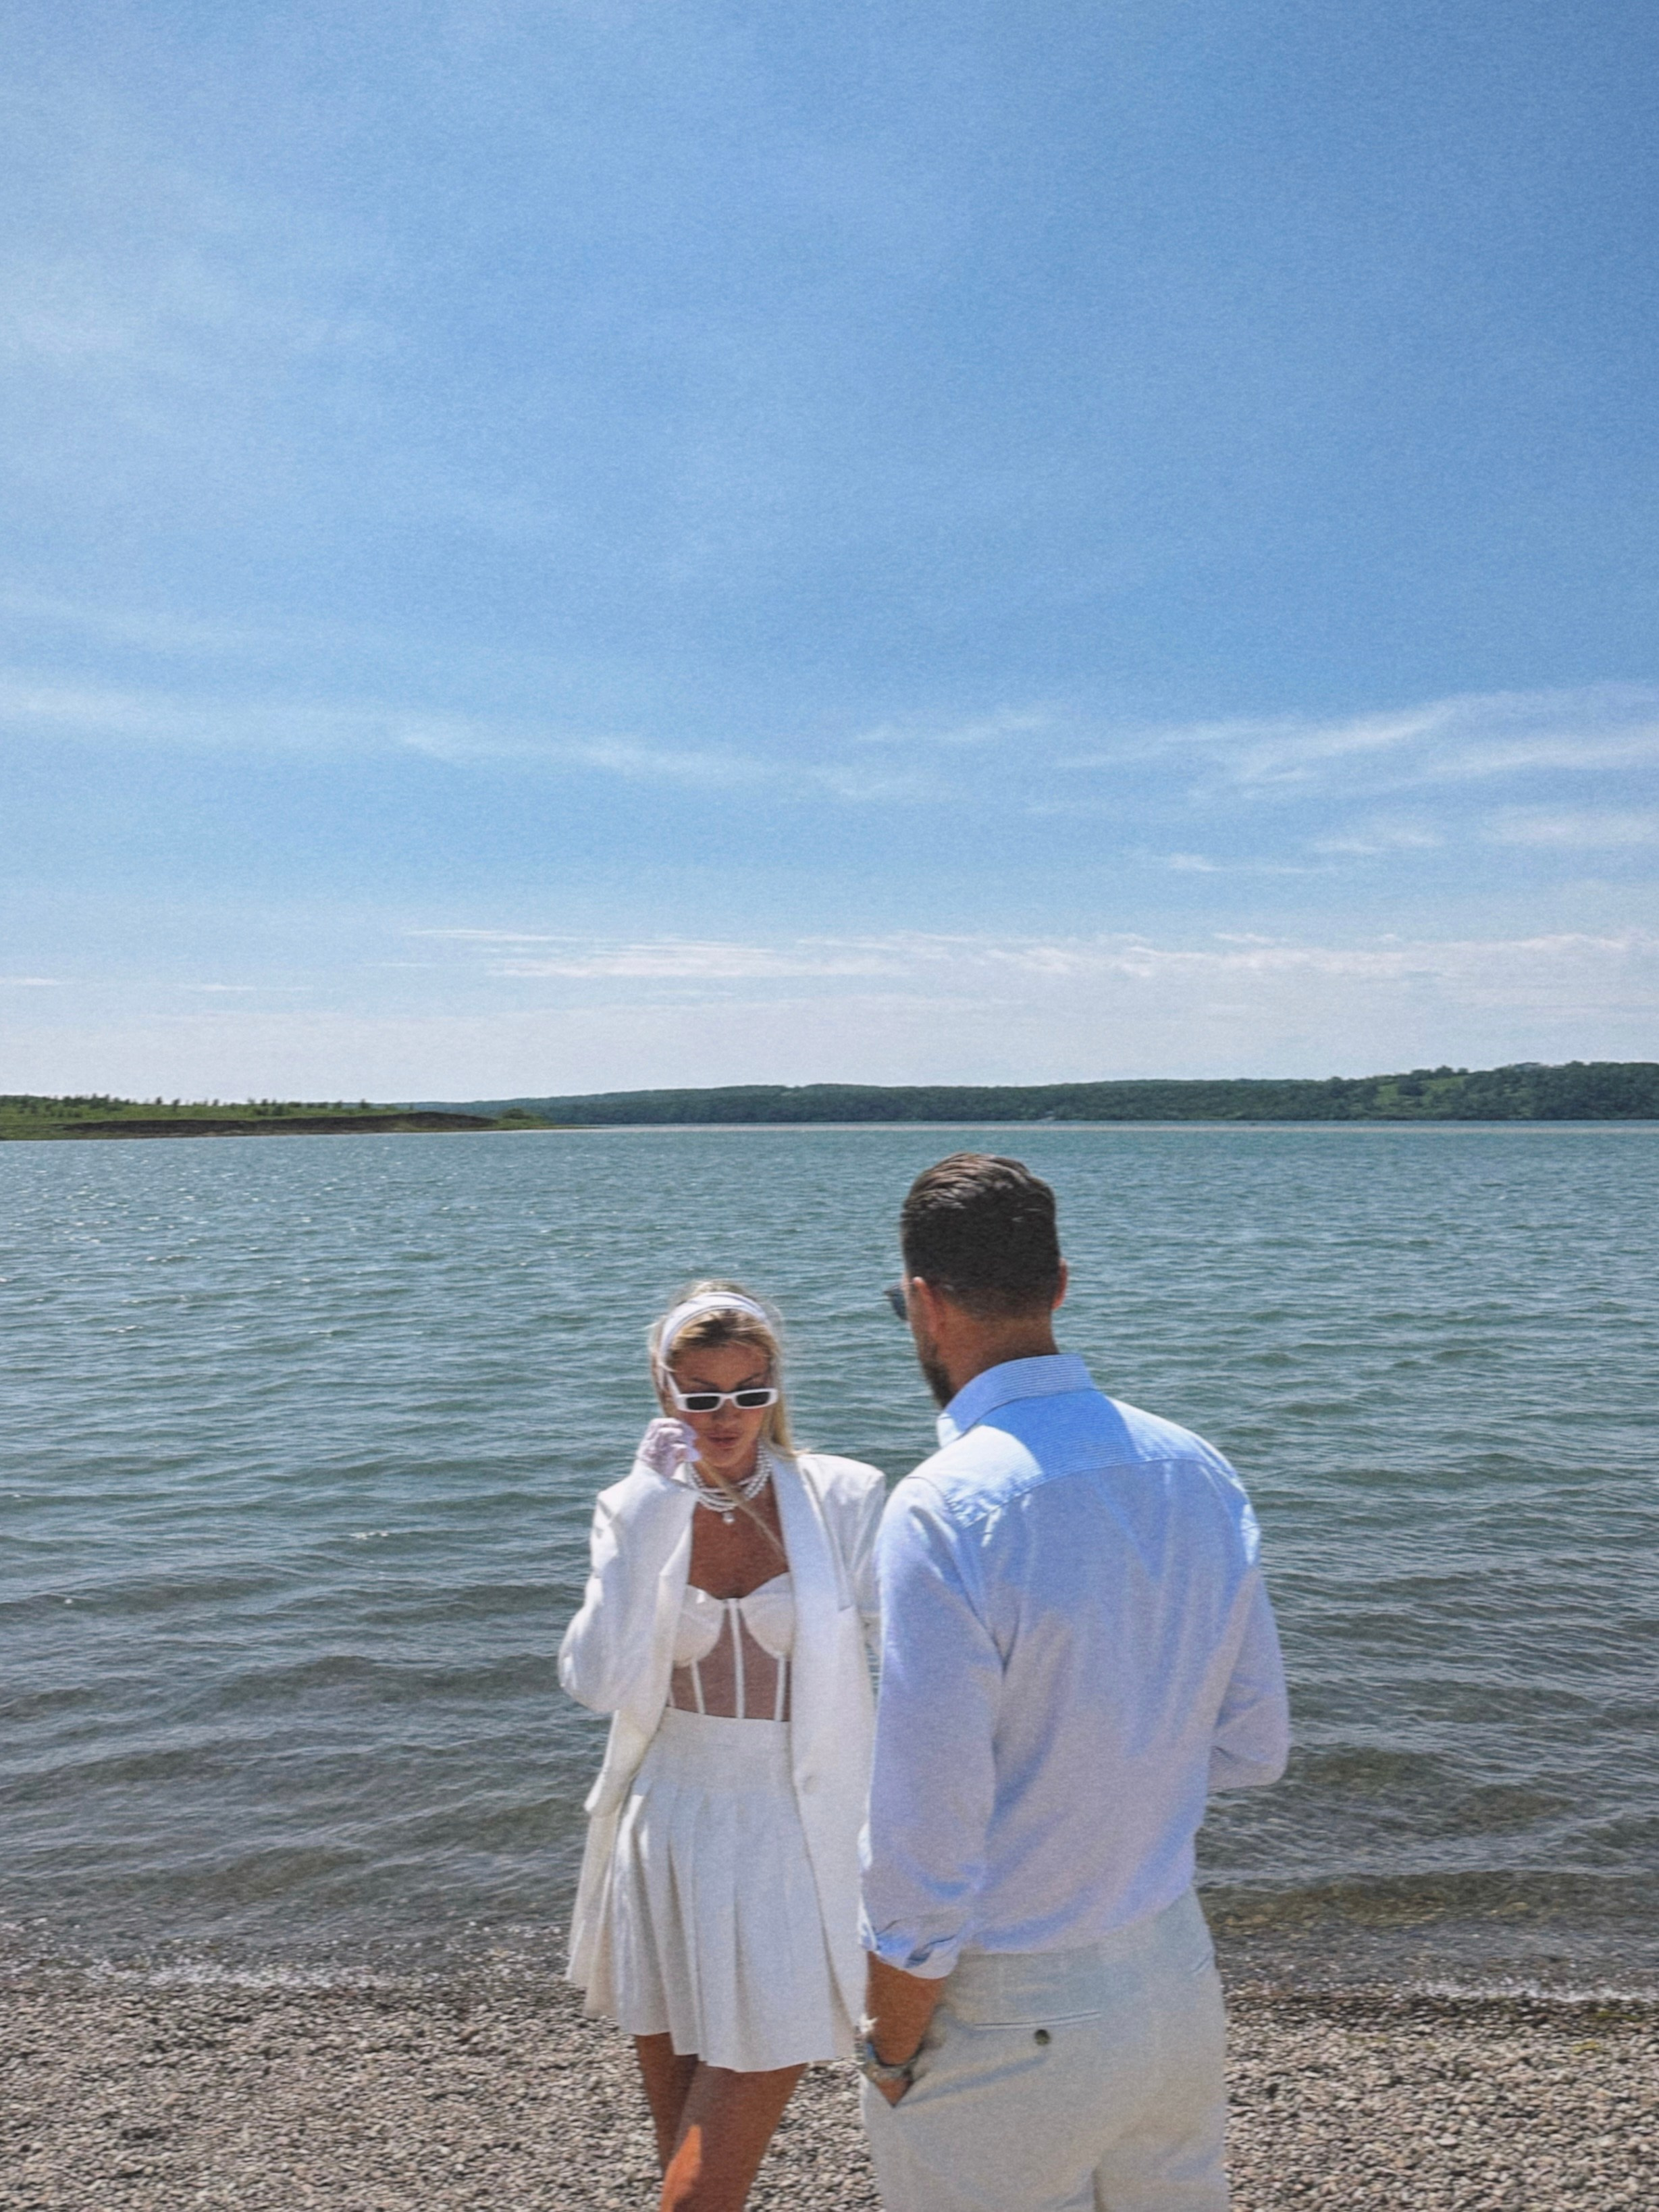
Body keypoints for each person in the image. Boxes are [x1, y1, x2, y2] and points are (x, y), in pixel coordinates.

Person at [855, 1155, 1290, 2212]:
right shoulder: (1194, 1467)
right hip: (1168, 1972)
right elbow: (1251, 1747)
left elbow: (927, 1836)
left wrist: (889, 2046)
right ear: (1058, 1282)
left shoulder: (942, 1508)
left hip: (1007, 2001)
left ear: (922, 1301)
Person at [560, 1281, 885, 2212]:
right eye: (701, 1396)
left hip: (794, 1835)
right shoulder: (633, 1508)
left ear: (777, 1386)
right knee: (689, 2165)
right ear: (665, 1393)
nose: (727, 1416)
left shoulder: (844, 1496)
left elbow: (907, 1657)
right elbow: (594, 1683)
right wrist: (651, 1508)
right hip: (668, 1828)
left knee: (703, 2179)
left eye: (749, 1390)